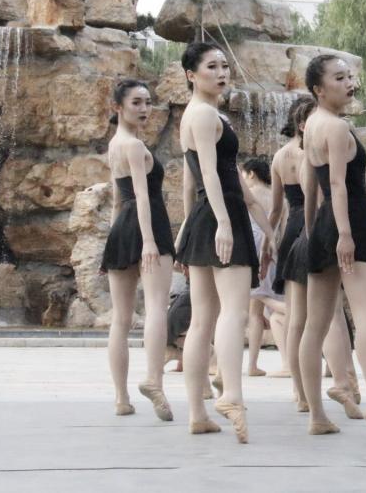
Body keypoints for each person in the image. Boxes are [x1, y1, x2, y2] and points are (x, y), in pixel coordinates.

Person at [300, 54, 366, 443]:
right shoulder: (336, 126)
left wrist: (312, 231)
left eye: (349, 76)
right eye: (339, 78)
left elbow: (311, 186)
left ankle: (316, 414)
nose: (349, 83)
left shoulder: (311, 124)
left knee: (315, 325)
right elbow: (338, 184)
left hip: (324, 223)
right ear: (318, 88)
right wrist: (345, 234)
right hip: (350, 222)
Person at [174, 42, 274, 441]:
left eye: (224, 66)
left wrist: (261, 220)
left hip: (211, 215)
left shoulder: (204, 114)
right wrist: (224, 223)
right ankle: (231, 393)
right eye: (211, 67)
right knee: (233, 311)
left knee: (202, 319)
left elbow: (207, 177)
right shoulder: (201, 114)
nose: (221, 72)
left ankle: (198, 413)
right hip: (219, 215)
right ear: (191, 74)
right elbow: (209, 175)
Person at [270, 98, 361, 417]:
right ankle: (345, 382)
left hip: (290, 233)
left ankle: (301, 393)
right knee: (331, 314)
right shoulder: (315, 150)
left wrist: (268, 240)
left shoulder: (279, 157)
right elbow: (321, 195)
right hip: (315, 226)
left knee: (297, 319)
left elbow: (276, 209)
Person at [100, 79, 176, 421]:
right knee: (157, 305)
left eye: (147, 102)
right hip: (148, 225)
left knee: (121, 317)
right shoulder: (133, 145)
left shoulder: (114, 145)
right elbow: (143, 197)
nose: (145, 108)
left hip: (121, 228)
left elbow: (118, 200)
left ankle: (121, 398)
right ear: (118, 107)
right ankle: (153, 381)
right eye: (136, 103)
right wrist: (148, 241)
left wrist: (113, 241)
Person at [243, 157, 290, 378]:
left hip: (252, 246)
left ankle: (253, 363)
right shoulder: (279, 197)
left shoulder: (248, 194)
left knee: (255, 310)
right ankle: (285, 359)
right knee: (271, 305)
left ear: (251, 173)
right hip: (273, 248)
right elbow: (284, 227)